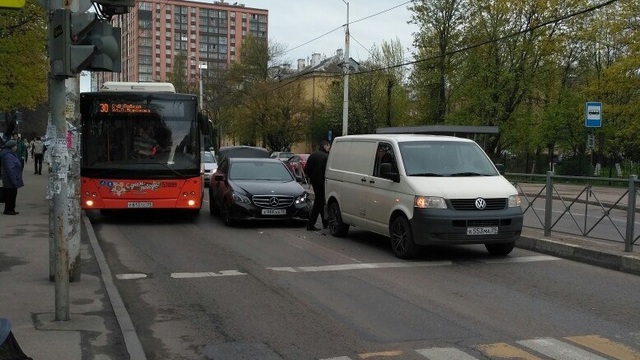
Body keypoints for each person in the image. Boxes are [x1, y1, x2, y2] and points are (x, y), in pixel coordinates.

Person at [304, 140, 331, 231]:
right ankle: (311, 224)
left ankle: (325, 222)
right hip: (322, 182)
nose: (329, 149)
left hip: (315, 182)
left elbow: (306, 169)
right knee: (319, 203)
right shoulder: (326, 157)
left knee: (321, 201)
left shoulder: (313, 155)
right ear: (325, 146)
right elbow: (327, 172)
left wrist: (312, 178)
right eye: (328, 147)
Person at [0, 140, 24, 215]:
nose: (16, 147)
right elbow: (10, 169)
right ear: (12, 147)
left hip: (11, 178)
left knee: (12, 195)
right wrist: (13, 180)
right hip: (10, 179)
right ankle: (9, 210)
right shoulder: (8, 155)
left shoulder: (10, 154)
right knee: (11, 195)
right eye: (15, 146)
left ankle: (11, 209)